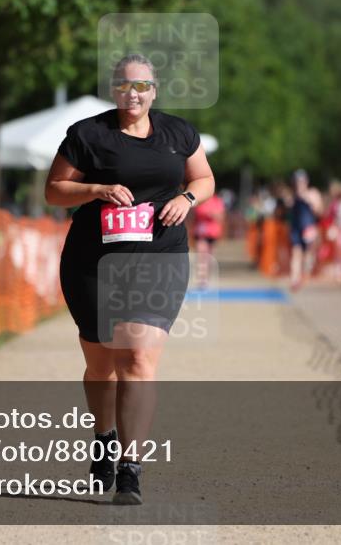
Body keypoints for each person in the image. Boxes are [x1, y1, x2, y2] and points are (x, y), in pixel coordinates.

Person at [45, 53, 215, 504]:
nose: (133, 93)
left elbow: (204, 177)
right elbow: (54, 190)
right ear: (113, 89)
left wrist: (189, 197)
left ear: (154, 90)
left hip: (159, 258)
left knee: (137, 359)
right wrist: (95, 189)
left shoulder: (178, 133)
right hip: (93, 263)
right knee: (102, 365)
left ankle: (130, 467)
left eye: (142, 86)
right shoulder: (88, 135)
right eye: (124, 85)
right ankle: (103, 438)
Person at [287, 170, 318, 291]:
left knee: (308, 253)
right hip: (295, 228)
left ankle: (305, 275)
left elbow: (318, 210)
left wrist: (306, 198)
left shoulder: (312, 193)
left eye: (301, 181)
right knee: (296, 252)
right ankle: (295, 278)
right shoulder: (292, 196)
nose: (299, 184)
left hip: (308, 227)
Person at [192, 192, 225, 289]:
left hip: (213, 232)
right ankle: (201, 278)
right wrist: (212, 213)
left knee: (209, 256)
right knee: (202, 255)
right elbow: (199, 212)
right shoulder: (201, 198)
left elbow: (220, 216)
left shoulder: (217, 200)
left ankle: (206, 278)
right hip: (201, 232)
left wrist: (213, 214)